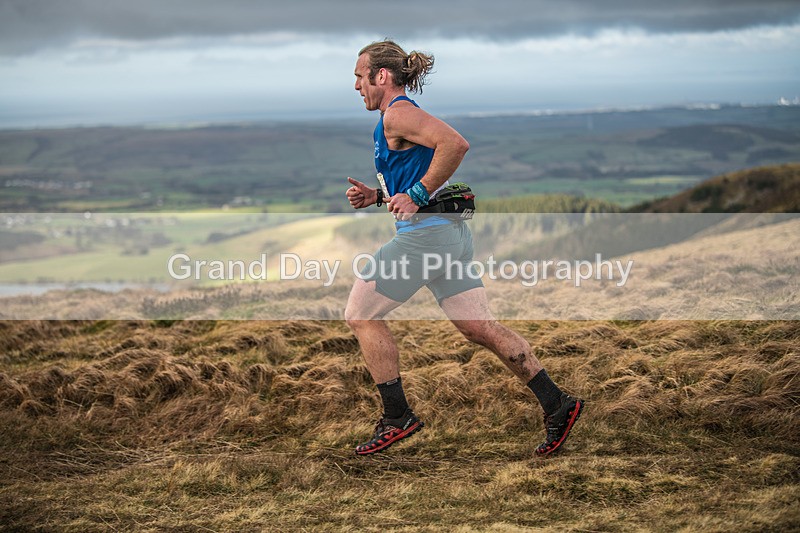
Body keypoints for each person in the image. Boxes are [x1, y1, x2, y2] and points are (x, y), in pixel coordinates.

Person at [344, 40, 583, 457]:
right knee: (479, 328)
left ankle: (398, 416)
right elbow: (413, 175)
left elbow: (455, 144)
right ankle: (558, 404)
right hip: (450, 235)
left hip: (425, 237)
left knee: (360, 315)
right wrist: (379, 198)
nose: (356, 87)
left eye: (359, 77)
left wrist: (416, 193)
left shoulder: (399, 113)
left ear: (381, 76)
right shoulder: (395, 117)